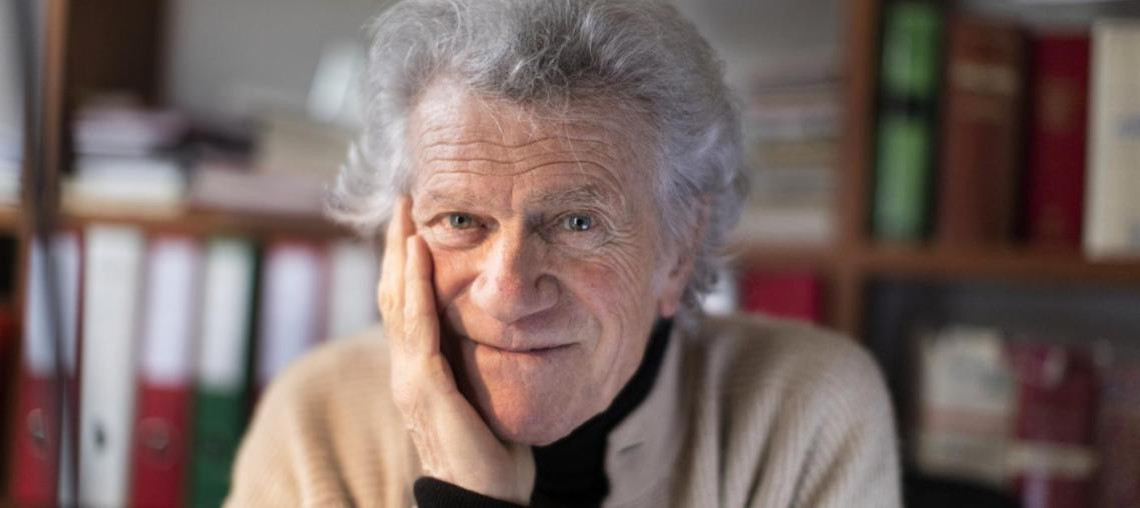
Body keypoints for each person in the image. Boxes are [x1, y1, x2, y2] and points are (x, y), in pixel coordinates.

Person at [227, 0, 901, 506]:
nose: (508, 291)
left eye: (578, 222)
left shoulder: (806, 412)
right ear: (400, 238)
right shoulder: (317, 421)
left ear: (680, 246)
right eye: (460, 220)